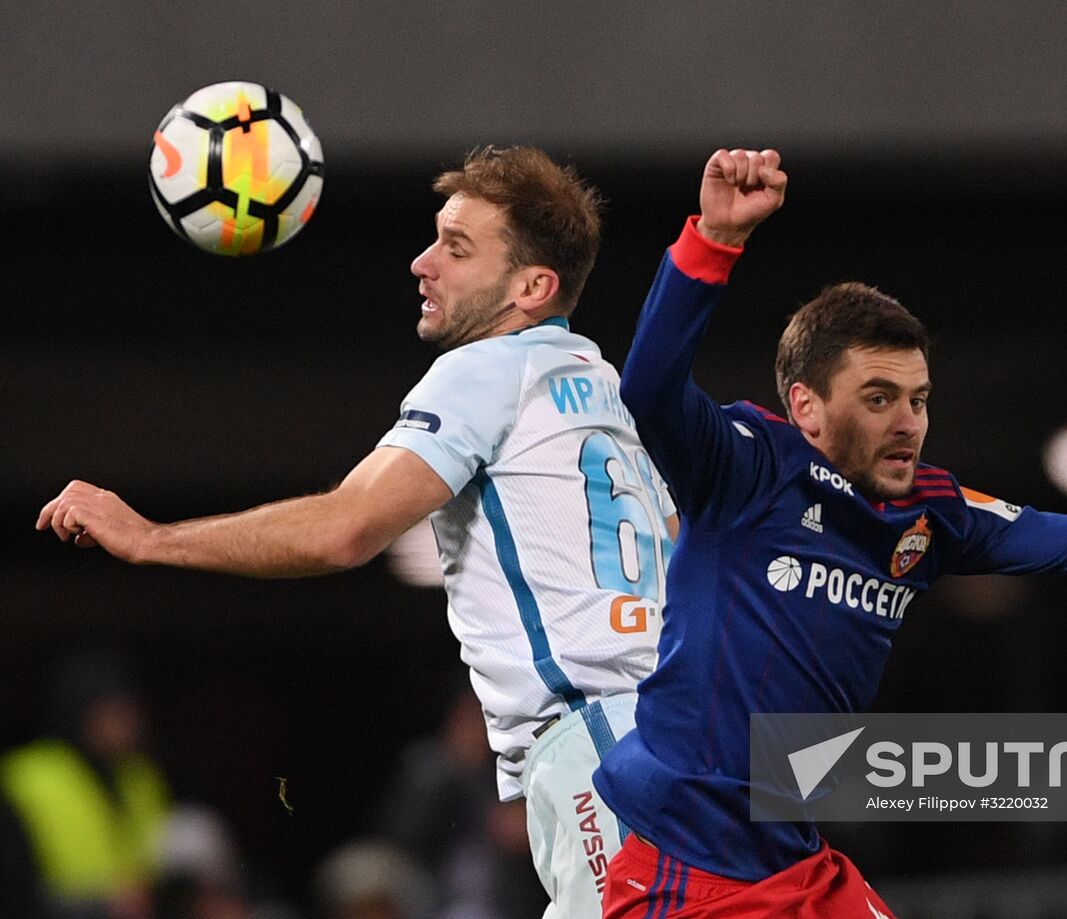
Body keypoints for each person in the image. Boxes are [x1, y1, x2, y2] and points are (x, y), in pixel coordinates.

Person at [592, 148, 1067, 917]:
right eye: (880, 397)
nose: (909, 424)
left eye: (918, 399)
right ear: (807, 407)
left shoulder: (931, 515)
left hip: (794, 865)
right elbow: (650, 387)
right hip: (688, 874)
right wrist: (713, 240)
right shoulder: (745, 470)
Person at [36, 146, 676, 917]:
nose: (422, 261)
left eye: (456, 246)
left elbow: (345, 529)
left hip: (602, 743)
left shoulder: (486, 370)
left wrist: (152, 537)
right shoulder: (603, 390)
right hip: (666, 727)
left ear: (532, 286)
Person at [0, 649, 171, 919]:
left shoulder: (141, 778)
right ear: (81, 712)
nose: (128, 724)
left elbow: (157, 864)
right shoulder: (28, 777)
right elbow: (14, 891)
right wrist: (99, 906)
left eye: (130, 710)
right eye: (113, 712)